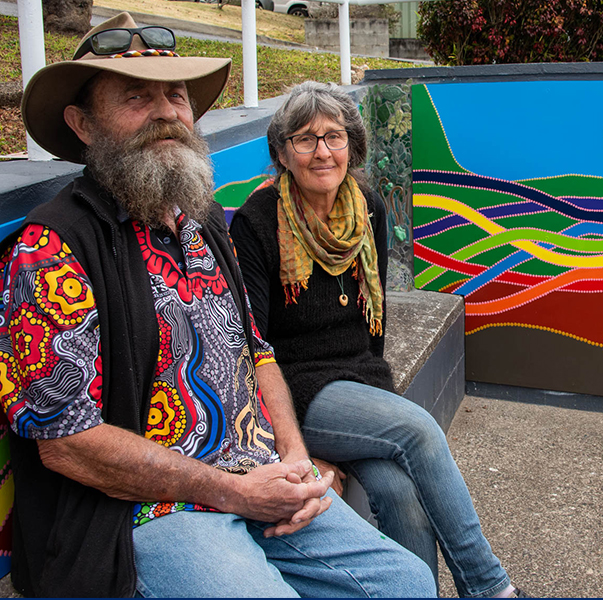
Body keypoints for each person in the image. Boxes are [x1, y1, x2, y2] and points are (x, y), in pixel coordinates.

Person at [0, 13, 436, 598]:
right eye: (135, 97)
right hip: (148, 511)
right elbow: (66, 442)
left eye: (177, 95)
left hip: (260, 474)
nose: (166, 113)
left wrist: (298, 463)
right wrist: (234, 491)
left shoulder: (203, 221)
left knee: (406, 582)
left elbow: (259, 353)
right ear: (83, 124)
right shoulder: (52, 246)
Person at [229, 81, 528, 599]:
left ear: (353, 144)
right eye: (304, 139)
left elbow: (376, 326)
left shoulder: (367, 204)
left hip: (358, 385)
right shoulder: (258, 222)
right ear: (282, 152)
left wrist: (366, 416)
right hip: (297, 389)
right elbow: (250, 346)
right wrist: (300, 446)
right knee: (417, 429)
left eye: (334, 137)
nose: (322, 151)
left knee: (402, 492)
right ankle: (490, 587)